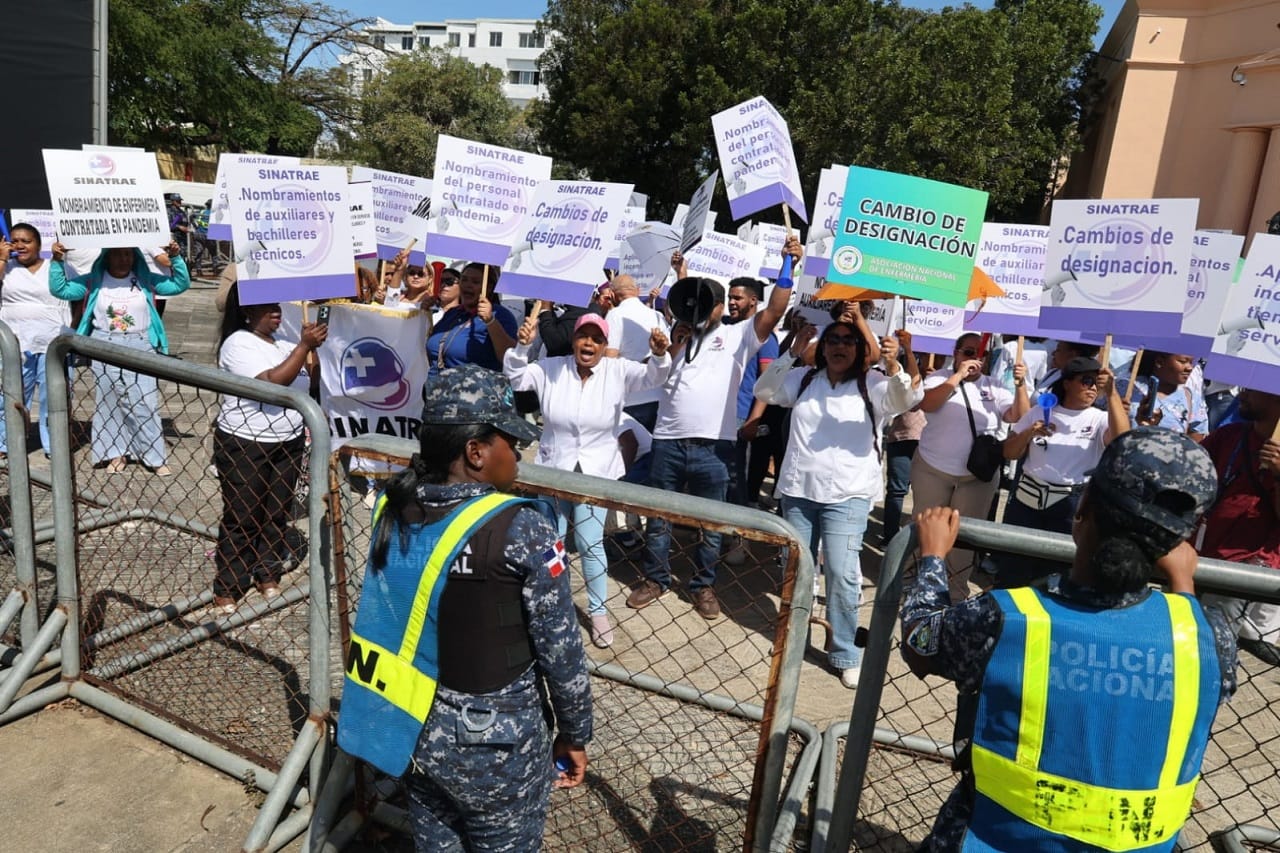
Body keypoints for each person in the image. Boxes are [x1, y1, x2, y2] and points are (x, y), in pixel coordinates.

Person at [902, 428, 1236, 852]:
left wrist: (933, 559)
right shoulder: (1209, 638)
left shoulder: (1006, 619)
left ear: (1083, 511)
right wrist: (1184, 586)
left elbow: (920, 641)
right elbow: (1196, 656)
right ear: (1176, 541)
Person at [337, 364, 592, 851]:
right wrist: (574, 733)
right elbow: (562, 652)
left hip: (411, 725)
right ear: (475, 452)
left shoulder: (394, 505)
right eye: (509, 442)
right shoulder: (522, 527)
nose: (518, 453)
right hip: (495, 747)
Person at [626, 237, 801, 620]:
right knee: (659, 515)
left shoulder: (738, 336)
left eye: (708, 301)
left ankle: (703, 584)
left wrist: (788, 264)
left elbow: (775, 307)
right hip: (668, 442)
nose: (698, 306)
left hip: (715, 447)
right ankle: (656, 578)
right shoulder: (675, 335)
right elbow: (655, 374)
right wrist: (669, 346)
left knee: (713, 522)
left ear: (721, 308)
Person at [754, 319, 922, 688]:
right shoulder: (803, 380)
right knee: (795, 570)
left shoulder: (873, 383)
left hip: (847, 496)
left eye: (849, 340)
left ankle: (845, 651)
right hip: (799, 491)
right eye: (832, 340)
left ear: (861, 349)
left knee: (844, 575)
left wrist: (896, 365)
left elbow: (906, 400)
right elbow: (764, 390)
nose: (839, 346)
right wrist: (793, 352)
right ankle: (793, 638)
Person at [504, 312, 671, 647]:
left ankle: (597, 612)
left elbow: (655, 376)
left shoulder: (618, 370)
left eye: (596, 339)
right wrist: (522, 347)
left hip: (595, 474)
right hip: (555, 469)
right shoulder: (552, 367)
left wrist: (659, 353)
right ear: (574, 340)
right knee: (551, 543)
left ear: (604, 345)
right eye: (584, 337)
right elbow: (516, 377)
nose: (589, 344)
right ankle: (550, 605)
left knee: (592, 543)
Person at [211, 284, 326, 612]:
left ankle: (267, 571)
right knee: (243, 514)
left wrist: (311, 349)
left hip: (286, 440)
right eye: (266, 307)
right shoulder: (237, 343)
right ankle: (229, 583)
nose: (276, 311)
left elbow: (309, 381)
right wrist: (304, 346)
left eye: (276, 305)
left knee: (276, 511)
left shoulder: (286, 342)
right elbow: (271, 384)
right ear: (247, 312)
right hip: (246, 441)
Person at [48, 240, 190, 474]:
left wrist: (176, 259)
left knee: (145, 399)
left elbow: (178, 285)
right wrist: (57, 261)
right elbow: (60, 289)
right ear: (106, 257)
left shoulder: (146, 280)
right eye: (118, 255)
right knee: (109, 400)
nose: (124, 259)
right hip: (104, 345)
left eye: (128, 254)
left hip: (140, 344)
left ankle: (154, 457)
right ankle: (115, 454)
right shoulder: (93, 281)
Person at [912, 332, 1029, 601]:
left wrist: (1020, 385)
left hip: (975, 478)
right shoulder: (939, 378)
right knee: (925, 526)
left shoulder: (996, 385)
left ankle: (955, 592)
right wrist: (958, 376)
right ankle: (916, 584)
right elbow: (927, 404)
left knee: (964, 536)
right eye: (967, 352)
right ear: (955, 353)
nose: (973, 358)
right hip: (933, 469)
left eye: (979, 354)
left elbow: (1019, 417)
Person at [994, 357, 1130, 587]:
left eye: (1097, 382)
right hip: (1028, 499)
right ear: (1067, 383)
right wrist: (1029, 433)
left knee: (1059, 572)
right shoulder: (1040, 410)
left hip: (1070, 502)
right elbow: (1009, 452)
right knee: (1013, 567)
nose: (1093, 387)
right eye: (1087, 381)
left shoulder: (1099, 419)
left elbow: (1121, 441)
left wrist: (1112, 394)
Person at [1197, 387, 1280, 663]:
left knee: (1208, 649)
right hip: (1199, 555)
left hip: (1245, 564)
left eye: (1254, 389)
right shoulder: (1229, 435)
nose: (1242, 394)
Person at [0, 224, 72, 459]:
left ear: (38, 245)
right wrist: (1, 260)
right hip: (17, 345)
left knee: (54, 397)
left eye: (26, 241)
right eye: (15, 241)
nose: (20, 245)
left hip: (52, 343)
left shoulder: (56, 267)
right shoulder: (6, 268)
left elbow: (77, 294)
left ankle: (54, 445)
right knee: (11, 396)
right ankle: (5, 443)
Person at [426, 263, 518, 380]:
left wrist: (490, 321)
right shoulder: (452, 313)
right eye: (464, 280)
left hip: (474, 394)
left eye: (475, 282)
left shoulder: (500, 315)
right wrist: (424, 312)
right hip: (436, 392)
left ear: (488, 288)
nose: (468, 285)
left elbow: (510, 359)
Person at [605, 273, 669, 433]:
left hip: (629, 398)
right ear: (638, 291)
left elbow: (609, 359)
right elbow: (667, 352)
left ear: (612, 294)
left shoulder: (615, 315)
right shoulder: (657, 316)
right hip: (657, 396)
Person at [1120, 351, 1208, 441]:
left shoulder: (1191, 397)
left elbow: (1196, 438)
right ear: (1159, 362)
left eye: (1191, 362)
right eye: (1182, 361)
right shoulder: (1125, 388)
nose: (1190, 368)